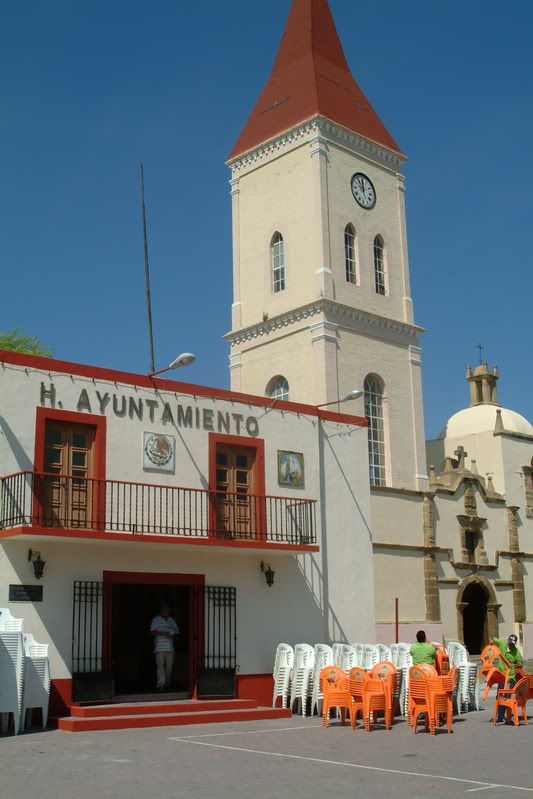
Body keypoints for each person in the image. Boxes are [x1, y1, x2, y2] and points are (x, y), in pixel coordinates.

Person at [492, 634, 523, 722]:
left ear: (515, 643)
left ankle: (508, 716)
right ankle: (500, 717)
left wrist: (515, 665)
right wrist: (491, 645)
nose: (511, 645)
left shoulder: (516, 652)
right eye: (510, 643)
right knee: (499, 696)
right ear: (508, 640)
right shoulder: (502, 643)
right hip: (501, 676)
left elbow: (520, 664)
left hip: (510, 677)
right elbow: (492, 639)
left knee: (507, 697)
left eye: (513, 644)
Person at [150, 604, 179, 692]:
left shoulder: (171, 620)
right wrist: (164, 633)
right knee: (160, 667)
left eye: (168, 610)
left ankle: (167, 682)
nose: (166, 611)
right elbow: (152, 632)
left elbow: (177, 631)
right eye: (165, 610)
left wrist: (173, 633)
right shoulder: (156, 619)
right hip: (159, 647)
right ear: (161, 610)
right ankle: (161, 685)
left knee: (169, 667)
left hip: (170, 648)